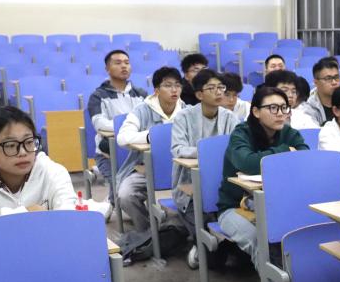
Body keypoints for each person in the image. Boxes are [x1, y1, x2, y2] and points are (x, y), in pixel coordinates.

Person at [216, 87, 338, 282]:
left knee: (307, 231)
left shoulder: (288, 132)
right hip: (233, 208)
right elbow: (246, 162)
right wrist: (283, 152)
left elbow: (303, 155)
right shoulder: (241, 133)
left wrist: (276, 155)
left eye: (284, 108)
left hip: (278, 205)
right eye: (273, 108)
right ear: (255, 111)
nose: (280, 113)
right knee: (259, 239)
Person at [0, 107, 74, 229]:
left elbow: (70, 221)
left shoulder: (52, 172)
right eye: (10, 145)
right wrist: (27, 212)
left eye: (28, 142)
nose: (23, 152)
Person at [171, 69, 238, 267]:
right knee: (214, 255)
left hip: (223, 185)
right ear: (199, 94)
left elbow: (238, 147)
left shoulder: (230, 117)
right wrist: (209, 152)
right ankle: (198, 243)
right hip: (189, 187)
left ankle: (209, 244)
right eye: (212, 88)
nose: (219, 92)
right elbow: (178, 149)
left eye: (221, 87)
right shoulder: (184, 117)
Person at [116, 66, 187, 233]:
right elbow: (122, 138)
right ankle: (149, 233)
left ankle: (184, 230)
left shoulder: (186, 111)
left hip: (182, 171)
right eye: (168, 85)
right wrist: (152, 136)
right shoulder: (142, 110)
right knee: (126, 195)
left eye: (177, 85)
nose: (174, 90)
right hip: (146, 170)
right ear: (156, 90)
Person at [87, 50, 148, 196]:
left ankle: (113, 203)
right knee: (121, 192)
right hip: (109, 153)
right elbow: (100, 124)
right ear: (107, 68)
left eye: (127, 63)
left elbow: (150, 120)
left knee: (134, 192)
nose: (124, 66)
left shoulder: (141, 94)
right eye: (118, 63)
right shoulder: (98, 96)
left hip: (139, 153)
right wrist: (132, 128)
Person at [296, 57, 340, 126]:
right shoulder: (307, 109)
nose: (334, 82)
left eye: (336, 77)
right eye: (328, 78)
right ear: (316, 82)